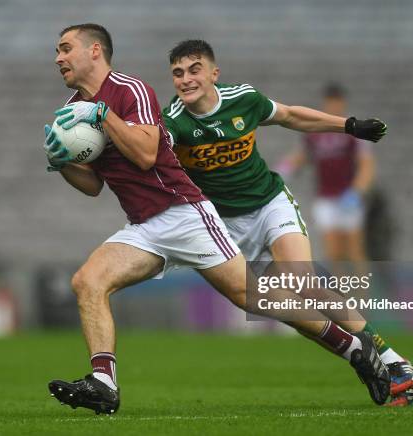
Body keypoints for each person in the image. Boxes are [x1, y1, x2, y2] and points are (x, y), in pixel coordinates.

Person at [43, 24, 392, 414]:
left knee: (255, 298)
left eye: (65, 48)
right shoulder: (77, 109)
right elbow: (92, 186)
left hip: (184, 213)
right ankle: (104, 384)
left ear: (94, 51)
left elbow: (144, 154)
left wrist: (105, 115)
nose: (58, 58)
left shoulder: (129, 90)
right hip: (145, 226)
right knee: (87, 281)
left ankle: (354, 348)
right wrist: (61, 162)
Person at [162, 40, 413, 407]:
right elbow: (147, 153)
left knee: (303, 282)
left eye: (194, 70)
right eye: (178, 73)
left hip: (270, 204)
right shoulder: (172, 121)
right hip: (227, 228)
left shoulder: (243, 98)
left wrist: (348, 125)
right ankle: (363, 356)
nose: (186, 79)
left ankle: (396, 363)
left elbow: (289, 116)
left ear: (213, 73)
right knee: (287, 308)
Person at [277, 83, 374, 265]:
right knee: (333, 253)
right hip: (326, 198)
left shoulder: (355, 131)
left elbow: (366, 165)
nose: (334, 107)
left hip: (348, 197)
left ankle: (362, 294)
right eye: (330, 103)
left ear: (343, 104)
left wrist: (357, 191)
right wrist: (284, 170)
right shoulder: (316, 130)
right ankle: (342, 293)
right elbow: (302, 156)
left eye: (337, 103)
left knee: (354, 252)